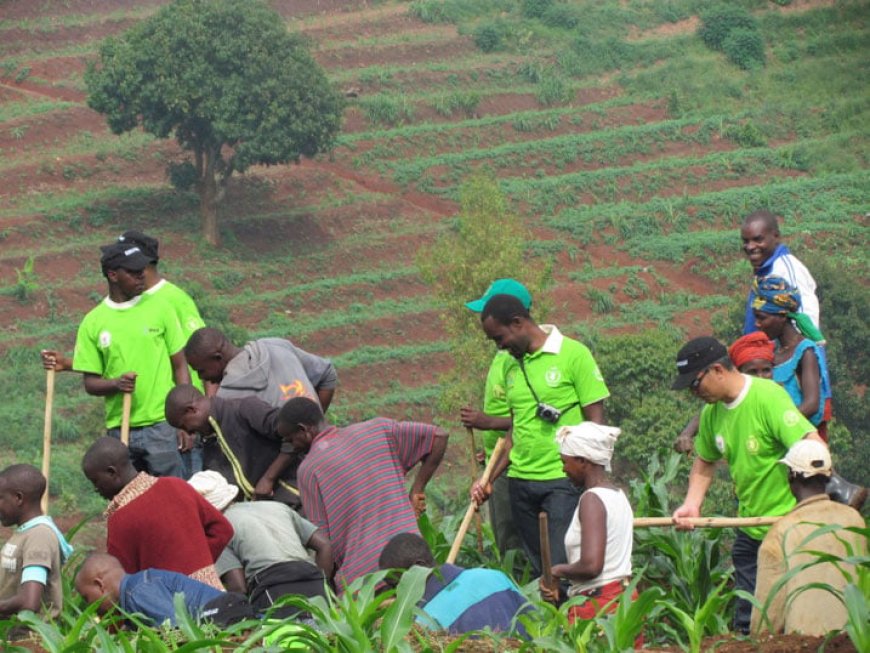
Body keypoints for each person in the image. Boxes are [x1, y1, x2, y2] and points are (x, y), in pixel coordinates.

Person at [670, 336, 825, 634]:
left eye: (695, 384)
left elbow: (812, 445)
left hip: (788, 527)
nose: (694, 393)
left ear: (717, 369)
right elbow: (704, 462)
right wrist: (692, 504)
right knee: (749, 621)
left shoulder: (767, 397)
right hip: (750, 527)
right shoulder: (712, 414)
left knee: (795, 621)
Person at [469, 294, 610, 579]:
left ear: (518, 323)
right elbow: (515, 430)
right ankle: (548, 620)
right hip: (521, 482)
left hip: (562, 481)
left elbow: (597, 425)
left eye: (500, 338)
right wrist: (487, 480)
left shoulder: (574, 354)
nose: (500, 347)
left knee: (562, 564)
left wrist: (595, 483)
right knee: (538, 570)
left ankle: (570, 620)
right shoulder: (509, 366)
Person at [43, 242, 190, 477]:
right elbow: (90, 383)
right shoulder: (93, 322)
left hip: (163, 425)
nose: (141, 275)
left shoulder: (162, 308)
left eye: (142, 269)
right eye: (133, 272)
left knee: (172, 495)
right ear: (113, 275)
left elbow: (180, 365)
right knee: (130, 499)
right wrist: (116, 384)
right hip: (120, 429)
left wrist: (183, 420)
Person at [276, 397, 448, 589]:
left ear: (304, 430)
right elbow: (439, 436)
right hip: (414, 565)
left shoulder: (309, 470)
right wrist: (417, 489)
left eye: (291, 440)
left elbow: (324, 544)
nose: (292, 447)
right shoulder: (378, 430)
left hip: (364, 582)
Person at [82, 437, 232, 590]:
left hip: (171, 605)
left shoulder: (121, 519)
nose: (97, 490)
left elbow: (122, 581)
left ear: (112, 472)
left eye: (96, 482)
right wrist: (199, 563)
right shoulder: (177, 485)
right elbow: (223, 529)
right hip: (213, 594)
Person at [750, 440, 866, 637]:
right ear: (829, 476)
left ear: (791, 478)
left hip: (803, 645)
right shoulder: (855, 520)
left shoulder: (781, 533)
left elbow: (766, 620)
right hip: (855, 641)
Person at [116, 230, 207, 475]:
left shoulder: (174, 300)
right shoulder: (135, 303)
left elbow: (198, 359)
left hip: (177, 422)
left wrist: (188, 423)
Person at [188, 471, 332, 616]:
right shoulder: (276, 507)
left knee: (288, 636)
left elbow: (238, 587)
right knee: (322, 634)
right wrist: (322, 582)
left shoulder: (220, 529)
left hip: (272, 587)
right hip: (312, 577)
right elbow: (324, 545)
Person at [540, 423, 636, 631]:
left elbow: (592, 566)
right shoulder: (618, 496)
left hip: (599, 606)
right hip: (623, 602)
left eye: (565, 462)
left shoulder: (591, 500)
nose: (563, 468)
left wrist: (556, 571)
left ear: (582, 461)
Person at [460, 279, 530, 557]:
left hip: (512, 464)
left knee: (512, 539)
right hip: (497, 458)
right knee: (503, 536)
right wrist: (488, 447)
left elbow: (527, 418)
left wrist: (485, 422)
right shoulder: (503, 354)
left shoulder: (517, 356)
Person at [165, 384, 299, 505]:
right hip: (271, 509)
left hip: (300, 495)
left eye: (183, 425)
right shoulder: (209, 443)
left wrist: (268, 478)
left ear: (192, 410)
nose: (188, 432)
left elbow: (295, 430)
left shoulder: (244, 409)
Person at [378, 533, 529, 637]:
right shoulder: (494, 577)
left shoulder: (425, 625)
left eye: (396, 584)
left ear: (419, 568)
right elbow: (538, 624)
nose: (396, 593)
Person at [74, 553, 253, 628]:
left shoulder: (137, 592)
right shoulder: (132, 599)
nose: (90, 606)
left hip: (224, 616)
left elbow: (176, 631)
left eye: (87, 598)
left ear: (99, 585)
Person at [183, 327, 337, 410]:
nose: (201, 378)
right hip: (323, 446)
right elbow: (328, 373)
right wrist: (318, 422)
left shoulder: (227, 397)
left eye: (201, 370)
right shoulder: (275, 345)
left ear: (217, 358)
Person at [673, 331, 775, 453]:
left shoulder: (774, 398)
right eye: (752, 372)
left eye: (766, 370)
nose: (760, 377)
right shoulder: (720, 406)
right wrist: (687, 433)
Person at [0, 465, 73, 621]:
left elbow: (29, 602)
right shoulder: (25, 533)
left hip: (28, 639)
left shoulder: (39, 536)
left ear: (18, 498)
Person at [740, 210, 820, 335]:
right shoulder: (764, 272)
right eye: (746, 241)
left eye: (758, 239)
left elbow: (806, 323)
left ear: (776, 236)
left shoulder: (787, 271)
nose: (750, 247)